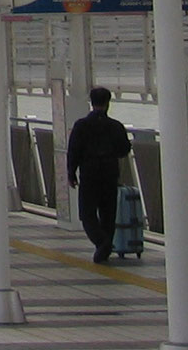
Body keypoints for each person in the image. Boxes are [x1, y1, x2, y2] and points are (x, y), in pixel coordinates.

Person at [67, 85, 132, 263]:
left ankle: (101, 243)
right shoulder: (116, 126)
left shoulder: (81, 125)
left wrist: (71, 173)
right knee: (108, 213)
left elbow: (73, 150)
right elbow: (124, 149)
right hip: (110, 172)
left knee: (87, 213)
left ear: (91, 102)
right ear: (108, 103)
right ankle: (104, 248)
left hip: (89, 172)